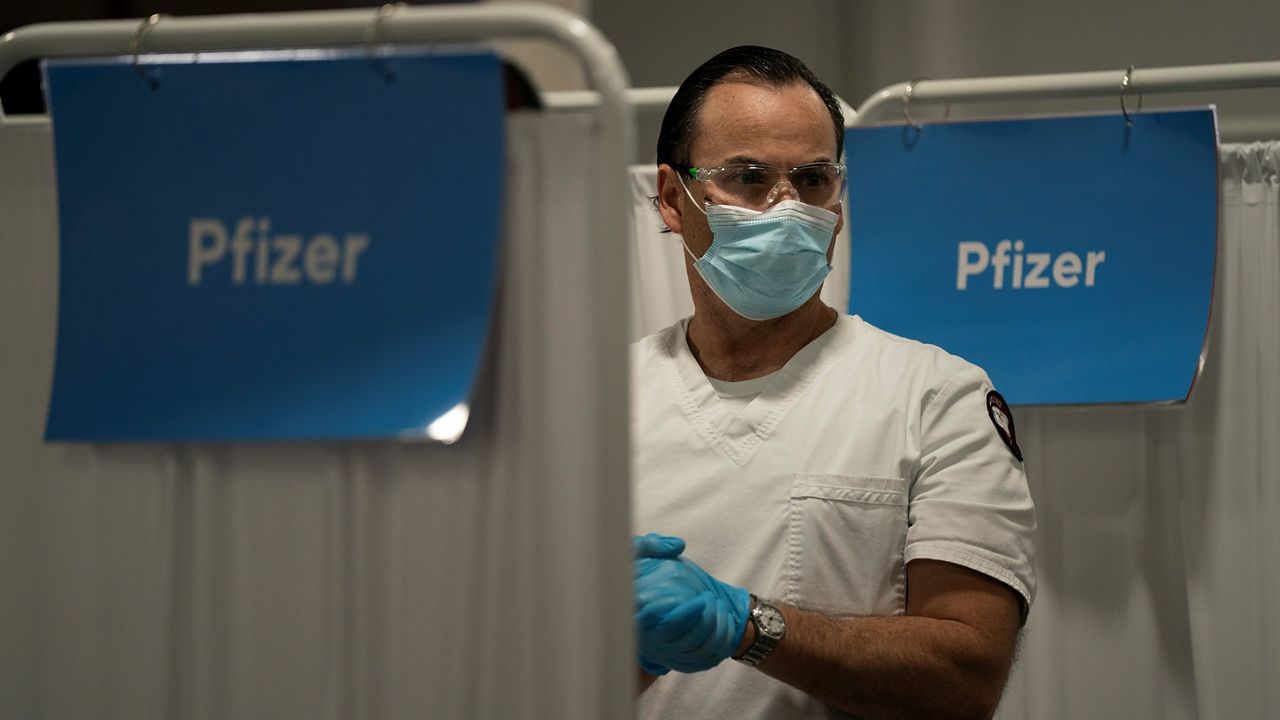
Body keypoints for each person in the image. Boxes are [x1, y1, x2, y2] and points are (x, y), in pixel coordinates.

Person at [631, 45, 1036, 719]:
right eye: (749, 177)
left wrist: (750, 626)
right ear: (674, 199)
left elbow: (967, 677)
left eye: (814, 179)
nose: (787, 207)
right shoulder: (604, 405)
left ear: (840, 201)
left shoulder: (937, 397)